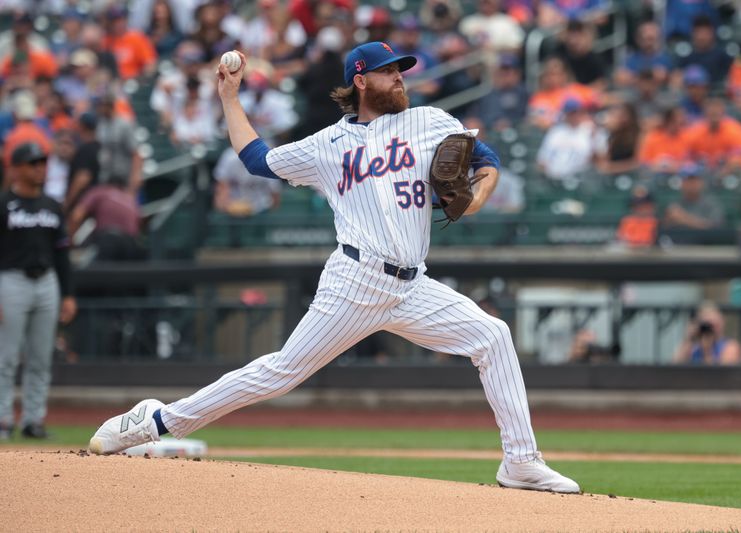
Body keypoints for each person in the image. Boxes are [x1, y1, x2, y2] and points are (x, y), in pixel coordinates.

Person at [89, 42, 580, 494]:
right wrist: (229, 99)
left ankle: (520, 461)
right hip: (354, 282)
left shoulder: (428, 121)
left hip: (413, 286)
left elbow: (485, 161)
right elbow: (258, 161)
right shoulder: (327, 145)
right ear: (361, 81)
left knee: (492, 336)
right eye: (389, 72)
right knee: (279, 374)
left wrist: (475, 200)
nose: (400, 79)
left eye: (402, 71)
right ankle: (157, 420)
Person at [0, 142, 77, 440]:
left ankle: (33, 421)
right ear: (16, 168)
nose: (39, 168)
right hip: (11, 280)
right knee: (6, 357)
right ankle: (3, 420)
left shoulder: (52, 206)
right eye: (33, 163)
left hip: (47, 281)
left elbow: (62, 254)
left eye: (42, 163)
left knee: (41, 358)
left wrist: (68, 294)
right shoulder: (4, 204)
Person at [673, 302, 741, 365]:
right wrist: (689, 338)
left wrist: (706, 351)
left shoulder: (730, 346)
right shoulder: (693, 346)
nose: (708, 328)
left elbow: (721, 374)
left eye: (712, 324)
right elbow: (674, 367)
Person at [662, 163, 724, 230]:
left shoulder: (711, 203)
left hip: (706, 240)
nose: (690, 184)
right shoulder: (676, 204)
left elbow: (715, 228)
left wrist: (684, 218)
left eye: (694, 180)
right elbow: (665, 230)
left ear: (702, 183)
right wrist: (668, 219)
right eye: (687, 180)